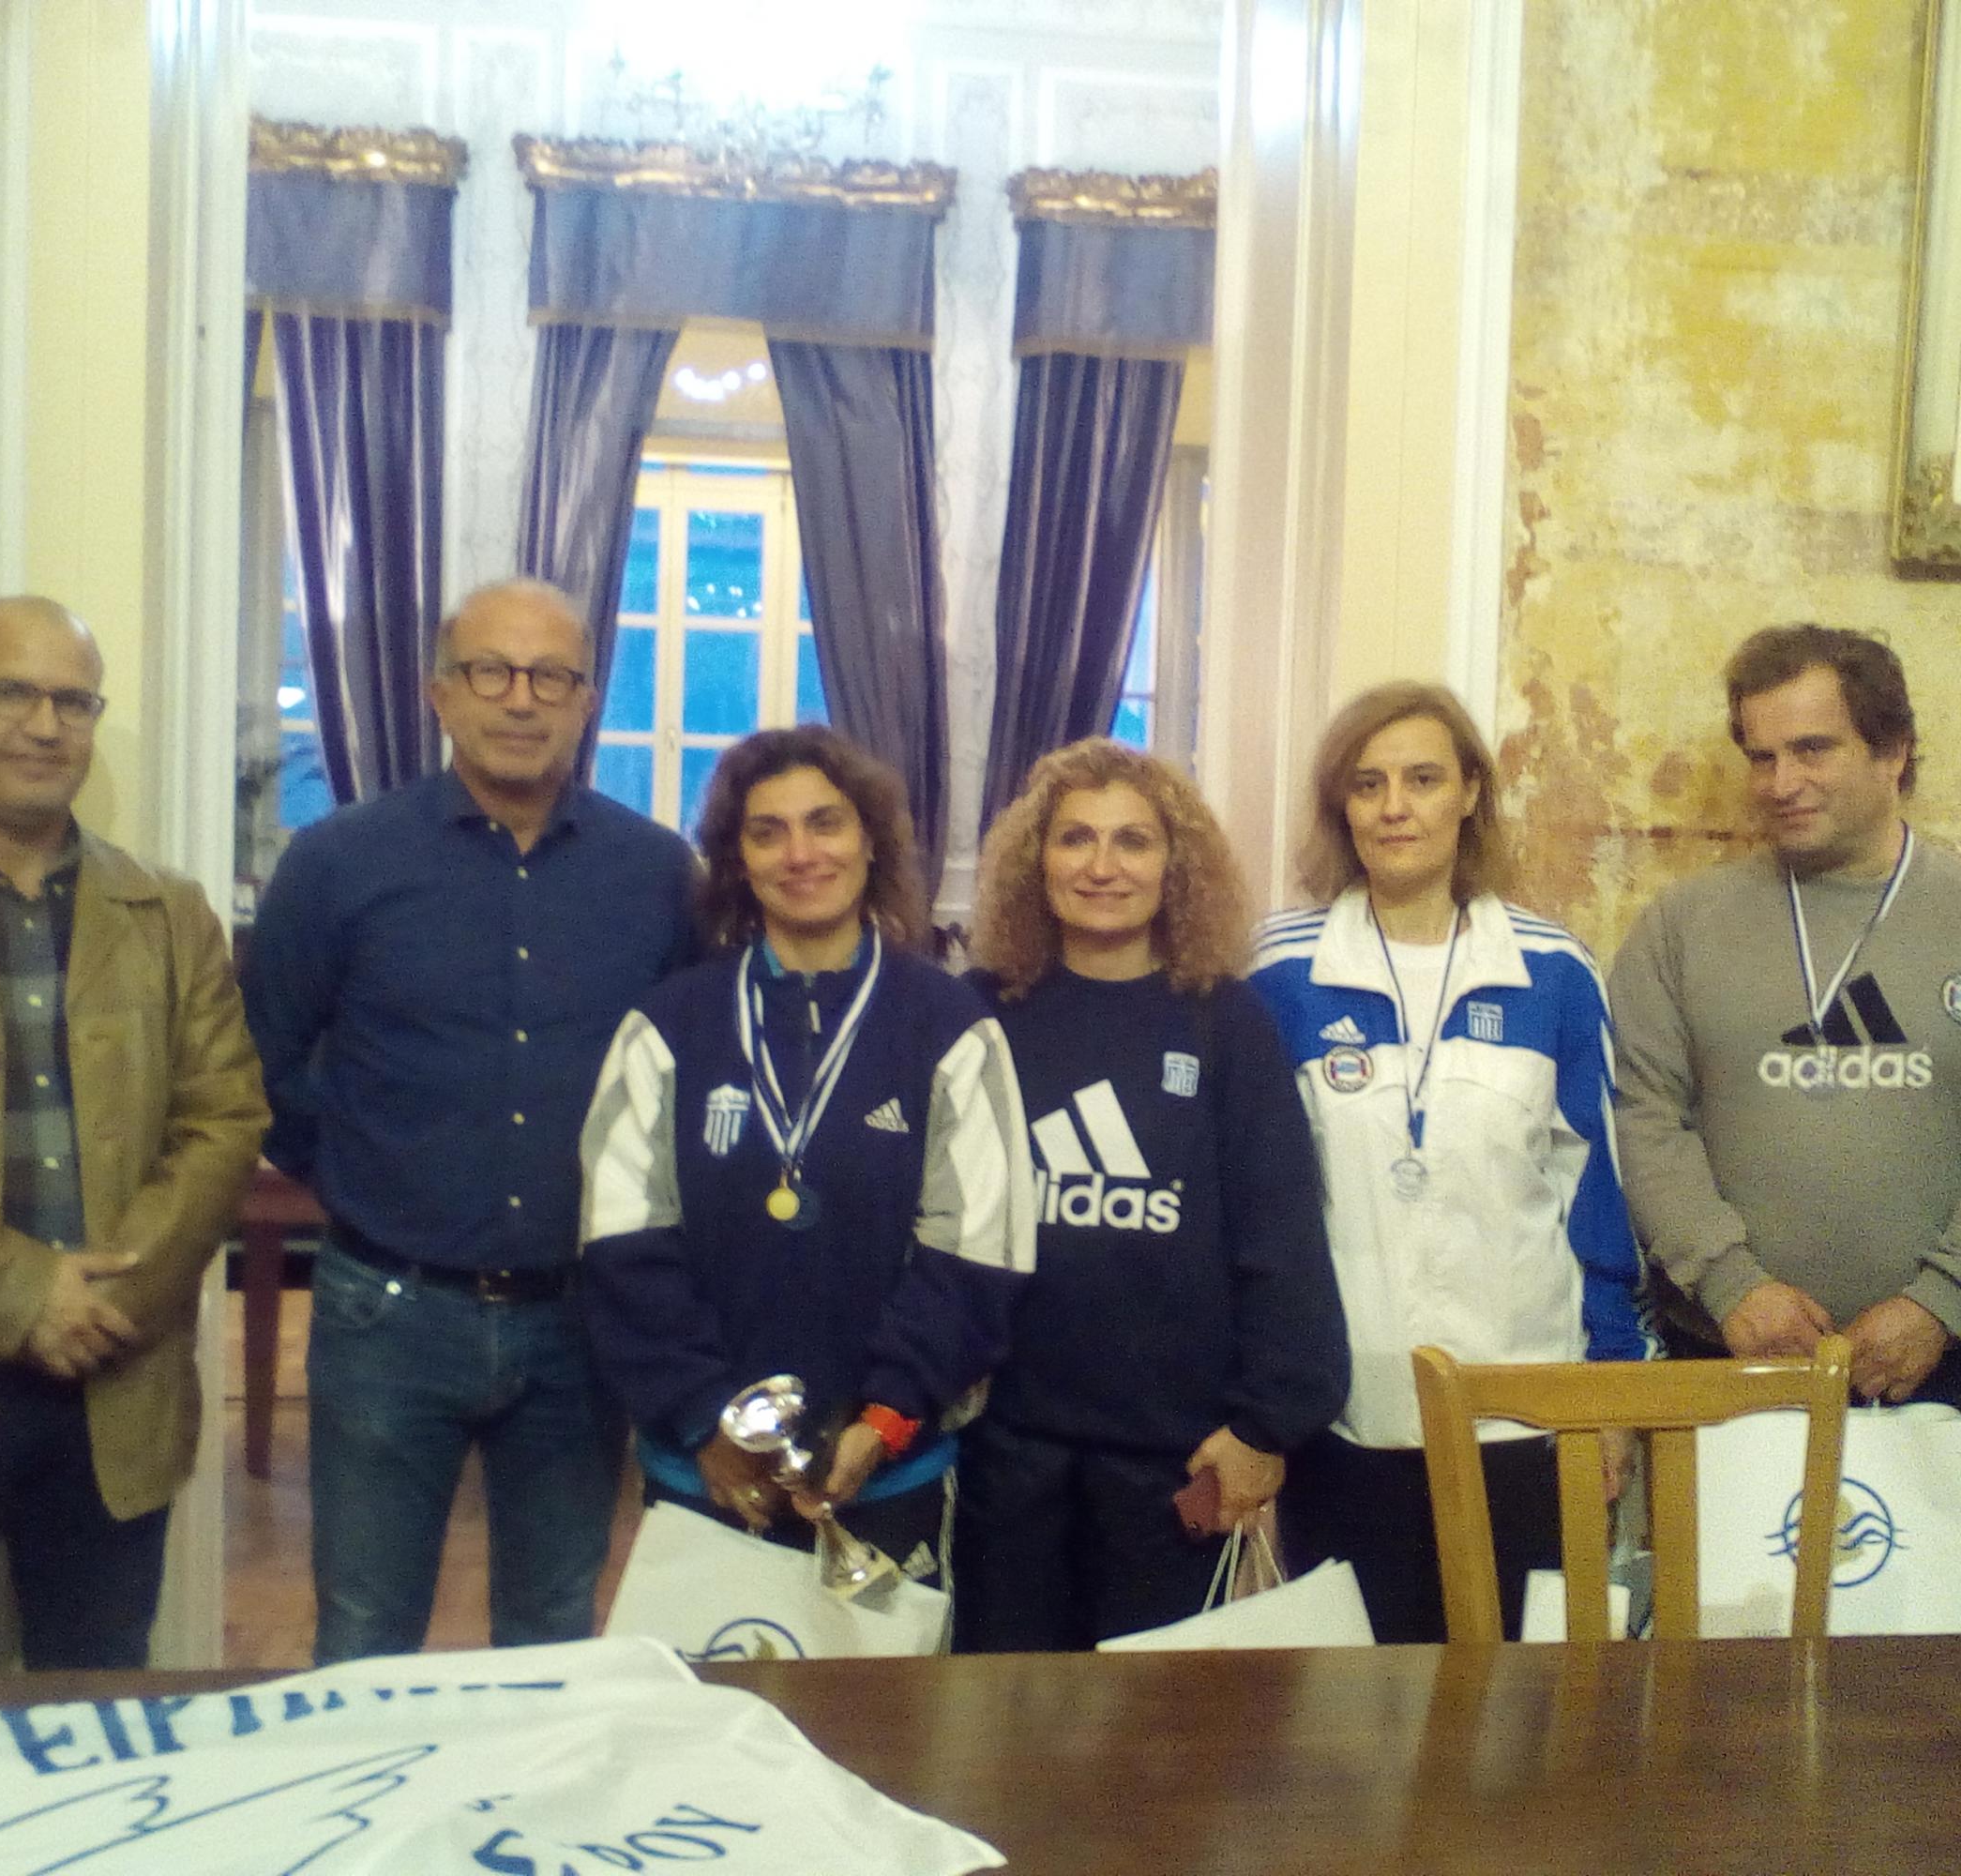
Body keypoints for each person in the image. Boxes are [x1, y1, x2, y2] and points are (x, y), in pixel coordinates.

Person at [242, 578, 700, 1664]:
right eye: (491, 671)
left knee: (553, 1636)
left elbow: (683, 1076)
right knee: (365, 1634)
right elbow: (265, 1059)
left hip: (581, 1318)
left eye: (551, 675)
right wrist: (370, 1171)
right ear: (439, 691)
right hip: (388, 1312)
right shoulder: (338, 861)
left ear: (586, 699)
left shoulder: (657, 875)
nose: (521, 698)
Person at [1609, 625, 1961, 1631]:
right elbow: (1643, 1115)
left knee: (1947, 1692)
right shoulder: (1682, 929)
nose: (1780, 782)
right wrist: (1730, 1281)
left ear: (1892, 748)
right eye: (1760, 755)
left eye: (1812, 749)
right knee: (1719, 1677)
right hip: (1726, 1366)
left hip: (1936, 1371)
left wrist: (1940, 1299)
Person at [0, 597, 267, 1671]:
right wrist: (23, 1295)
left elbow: (226, 1116)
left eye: (74, 700)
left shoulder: (170, 914)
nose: (45, 725)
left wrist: (101, 1302)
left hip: (115, 1388)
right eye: (13, 691)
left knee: (96, 1714)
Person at [581, 727, 1034, 1591]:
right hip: (706, 1471)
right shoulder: (668, 1024)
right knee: (708, 1683)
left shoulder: (949, 1026)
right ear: (736, 859)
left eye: (825, 823)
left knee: (879, 1688)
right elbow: (621, 1243)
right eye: (768, 832)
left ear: (870, 840)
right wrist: (706, 1420)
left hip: (887, 1465)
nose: (800, 854)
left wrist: (887, 1416)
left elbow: (978, 1251)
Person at [1249, 682, 1650, 1644]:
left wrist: (1609, 1397)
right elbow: (1251, 1209)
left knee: (1523, 1708)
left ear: (1470, 791)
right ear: (1341, 805)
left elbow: (1599, 1199)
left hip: (1524, 1417)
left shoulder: (1554, 970)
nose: (1395, 807)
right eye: (1368, 783)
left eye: (1423, 779)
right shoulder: (1280, 969)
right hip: (1344, 1419)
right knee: (1356, 1711)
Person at [951, 739, 1348, 1650]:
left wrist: (1266, 1426)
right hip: (1006, 1452)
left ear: (1176, 866)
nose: (1102, 865)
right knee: (998, 1713)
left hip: (1177, 1457)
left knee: (1154, 1728)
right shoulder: (978, 1011)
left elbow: (1280, 1234)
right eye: (1075, 838)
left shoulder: (1227, 1022)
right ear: (1035, 860)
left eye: (1132, 840)